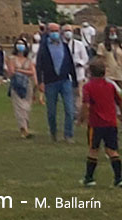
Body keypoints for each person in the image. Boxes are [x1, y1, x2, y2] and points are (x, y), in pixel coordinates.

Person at [78, 58, 122, 186]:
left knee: (93, 149)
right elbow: (119, 101)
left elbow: (86, 105)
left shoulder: (88, 87)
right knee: (112, 150)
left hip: (96, 123)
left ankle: (89, 178)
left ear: (90, 73)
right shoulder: (110, 86)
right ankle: (119, 178)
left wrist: (82, 119)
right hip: (111, 123)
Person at [37, 22, 78, 143]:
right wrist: (40, 81)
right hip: (50, 82)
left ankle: (68, 134)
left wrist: (74, 80)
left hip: (65, 80)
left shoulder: (64, 46)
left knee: (69, 109)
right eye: (52, 31)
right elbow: (39, 65)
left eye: (57, 31)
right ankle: (53, 132)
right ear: (48, 33)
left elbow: (70, 63)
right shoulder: (44, 48)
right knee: (51, 111)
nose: (55, 33)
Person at [6, 38, 38, 138]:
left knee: (27, 106)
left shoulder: (29, 60)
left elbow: (32, 72)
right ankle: (23, 128)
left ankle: (25, 125)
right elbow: (11, 72)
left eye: (22, 44)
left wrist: (19, 70)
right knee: (19, 107)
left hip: (27, 84)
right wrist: (25, 71)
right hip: (16, 84)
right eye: (18, 44)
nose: (20, 46)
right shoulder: (11, 58)